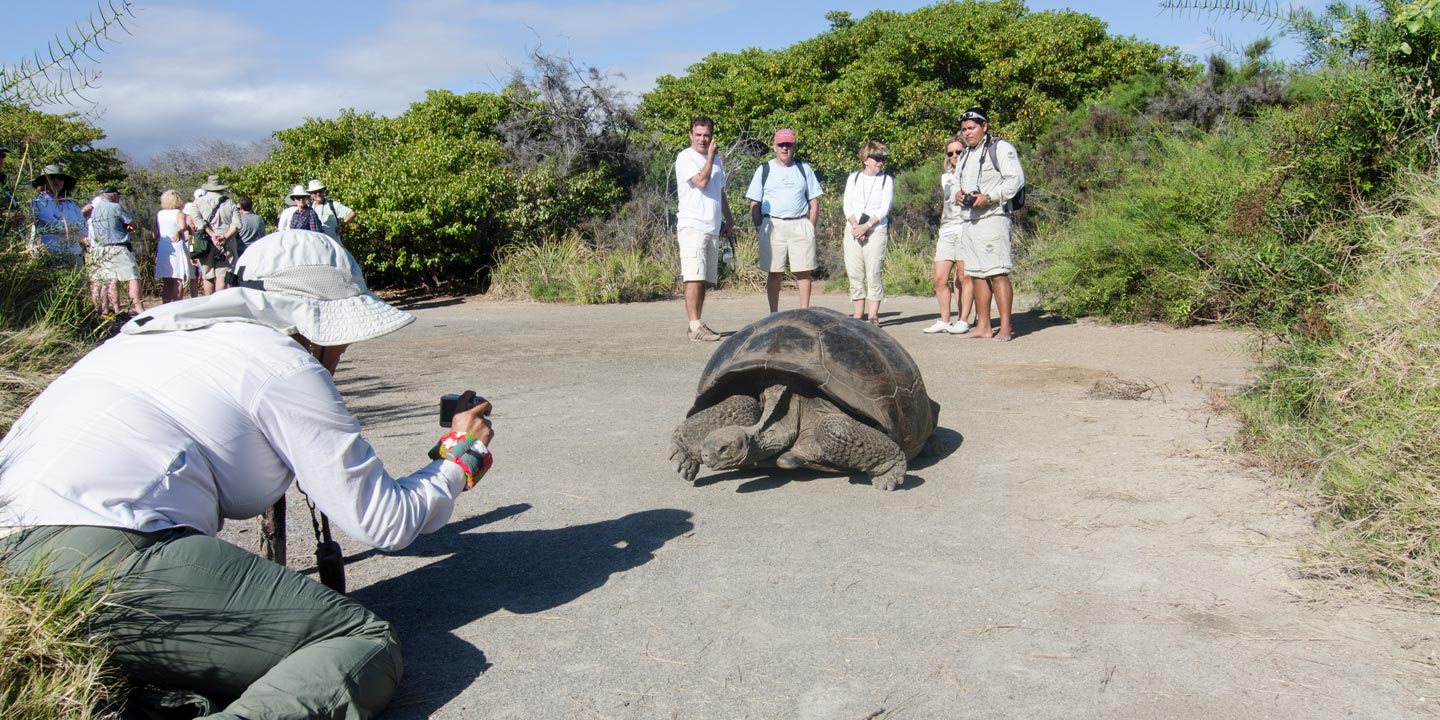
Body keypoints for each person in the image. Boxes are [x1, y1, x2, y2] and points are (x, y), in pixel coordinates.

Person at [0, 229, 497, 719]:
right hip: (108, 554)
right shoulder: (283, 365)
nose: (342, 352)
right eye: (340, 336)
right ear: (311, 325)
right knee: (359, 641)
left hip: (13, 563)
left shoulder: (137, 342)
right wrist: (460, 457)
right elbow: (386, 522)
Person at [951, 108, 1025, 342]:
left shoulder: (1000, 148)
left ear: (984, 126)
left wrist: (989, 197)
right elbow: (956, 182)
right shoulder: (965, 154)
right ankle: (983, 325)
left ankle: (1005, 326)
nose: (967, 133)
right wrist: (958, 195)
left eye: (971, 128)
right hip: (970, 220)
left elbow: (1016, 179)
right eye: (964, 129)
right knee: (976, 275)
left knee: (998, 273)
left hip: (993, 218)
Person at [746, 128, 823, 313]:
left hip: (800, 223)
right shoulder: (764, 169)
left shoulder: (804, 168)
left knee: (803, 271)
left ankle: (805, 312)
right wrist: (760, 226)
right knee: (774, 273)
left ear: (794, 146)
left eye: (788, 144)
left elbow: (814, 199)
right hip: (773, 225)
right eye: (781, 144)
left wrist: (810, 226)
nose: (784, 148)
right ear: (774, 147)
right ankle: (774, 313)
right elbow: (754, 202)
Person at [674, 116, 735, 342]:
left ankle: (698, 323)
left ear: (711, 136)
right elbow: (701, 181)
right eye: (698, 134)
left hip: (711, 226)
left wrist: (728, 218)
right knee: (693, 276)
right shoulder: (686, 158)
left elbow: (719, 190)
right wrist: (710, 157)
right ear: (690, 135)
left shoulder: (717, 161)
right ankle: (693, 326)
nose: (702, 139)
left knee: (704, 278)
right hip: (693, 225)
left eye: (706, 135)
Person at [923, 135, 976, 335]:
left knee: (963, 276)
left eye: (958, 152)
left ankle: (963, 319)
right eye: (950, 153)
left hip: (965, 226)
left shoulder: (972, 173)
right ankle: (945, 319)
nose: (954, 156)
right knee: (939, 278)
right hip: (947, 228)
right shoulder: (946, 177)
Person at [842, 140, 894, 325]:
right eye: (877, 158)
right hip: (853, 230)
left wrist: (867, 226)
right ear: (865, 159)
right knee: (855, 272)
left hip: (876, 230)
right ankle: (858, 315)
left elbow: (884, 208)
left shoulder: (886, 180)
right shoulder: (853, 178)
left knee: (874, 272)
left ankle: (873, 316)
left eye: (882, 158)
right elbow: (847, 205)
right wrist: (856, 226)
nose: (880, 162)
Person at [85, 185, 145, 316]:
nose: (118, 198)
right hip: (118, 247)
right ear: (112, 195)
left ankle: (109, 310)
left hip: (100, 250)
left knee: (109, 280)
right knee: (134, 277)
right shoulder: (115, 207)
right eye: (118, 195)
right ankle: (139, 308)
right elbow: (133, 224)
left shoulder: (95, 210)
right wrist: (128, 228)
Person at [187, 175, 241, 295]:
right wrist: (225, 237)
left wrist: (211, 234)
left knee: (208, 275)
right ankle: (219, 304)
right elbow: (237, 224)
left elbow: (197, 221)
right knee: (222, 275)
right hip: (226, 242)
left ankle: (209, 305)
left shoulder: (198, 202)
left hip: (205, 241)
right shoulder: (230, 202)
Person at [28, 164, 88, 267]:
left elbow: (84, 229)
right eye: (52, 178)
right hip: (49, 251)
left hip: (74, 252)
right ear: (44, 181)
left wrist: (64, 224)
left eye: (60, 178)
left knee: (79, 282)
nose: (56, 181)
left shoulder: (71, 204)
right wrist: (73, 226)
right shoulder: (39, 202)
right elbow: (53, 225)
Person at [155, 189, 195, 304]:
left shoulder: (160, 214)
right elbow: (183, 226)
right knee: (178, 278)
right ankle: (177, 304)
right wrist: (178, 232)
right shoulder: (179, 213)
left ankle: (166, 304)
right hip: (176, 245)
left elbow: (156, 231)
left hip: (163, 246)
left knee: (167, 279)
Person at [307, 179, 356, 243]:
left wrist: (341, 226)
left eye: (320, 191)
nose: (318, 194)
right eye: (315, 192)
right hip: (317, 245)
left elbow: (351, 213)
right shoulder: (309, 207)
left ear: (324, 191)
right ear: (311, 194)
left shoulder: (332, 205)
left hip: (333, 245)